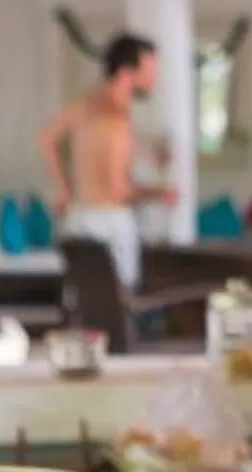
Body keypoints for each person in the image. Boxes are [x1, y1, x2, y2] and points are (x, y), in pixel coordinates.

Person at [42, 33, 176, 285]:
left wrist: (63, 190)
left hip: (78, 218)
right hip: (110, 223)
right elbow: (118, 190)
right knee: (116, 307)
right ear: (127, 72)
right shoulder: (116, 121)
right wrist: (159, 194)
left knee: (82, 303)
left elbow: (46, 139)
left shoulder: (84, 105)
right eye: (150, 70)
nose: (154, 78)